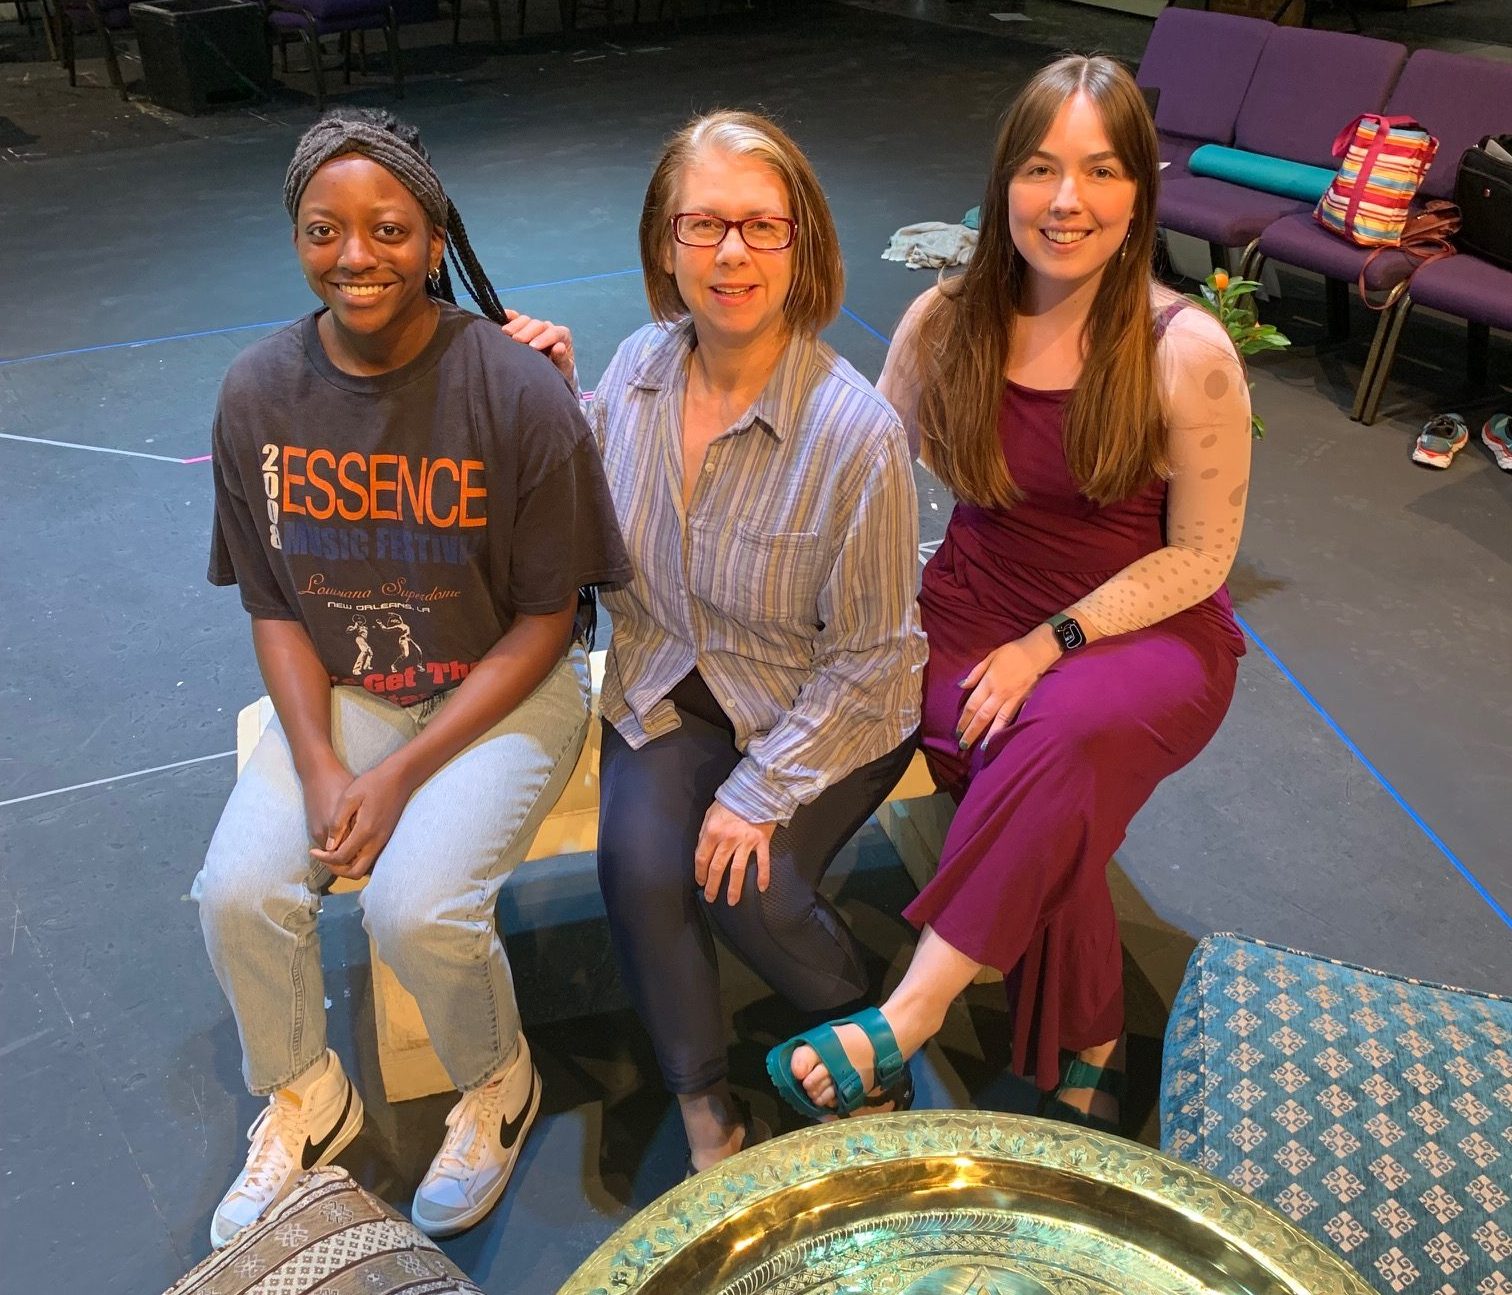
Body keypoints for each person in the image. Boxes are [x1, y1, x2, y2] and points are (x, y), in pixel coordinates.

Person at [770, 54, 1251, 1133]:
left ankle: (907, 1012)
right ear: (1005, 186)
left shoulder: (1190, 350)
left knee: (1057, 732)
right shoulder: (948, 320)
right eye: (1041, 168)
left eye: (1100, 170)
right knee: (1040, 775)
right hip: (972, 603)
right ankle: (1088, 1039)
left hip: (1143, 626)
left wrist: (1054, 639)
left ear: (1139, 194)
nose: (1068, 199)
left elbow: (1201, 558)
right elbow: (866, 475)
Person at [195, 108, 629, 1247]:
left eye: (388, 228)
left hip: (502, 687)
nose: (355, 255)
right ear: (296, 236)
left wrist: (399, 780)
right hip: (350, 690)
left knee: (416, 905)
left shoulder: (515, 391)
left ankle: (498, 1077)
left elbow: (548, 620)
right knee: (237, 893)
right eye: (323, 229)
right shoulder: (256, 393)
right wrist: (331, 760)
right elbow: (273, 602)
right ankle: (303, 1091)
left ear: (434, 237)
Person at [504, 110, 927, 1173]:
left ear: (803, 245)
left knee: (750, 890)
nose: (731, 252)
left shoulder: (857, 432)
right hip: (671, 681)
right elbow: (607, 517)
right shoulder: (644, 366)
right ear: (665, 243)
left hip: (826, 707)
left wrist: (758, 790)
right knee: (640, 868)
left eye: (760, 226)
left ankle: (866, 1046)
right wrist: (563, 401)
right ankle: (706, 1113)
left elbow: (876, 658)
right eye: (703, 224)